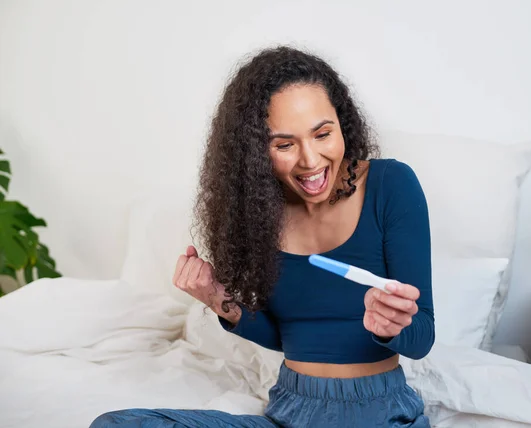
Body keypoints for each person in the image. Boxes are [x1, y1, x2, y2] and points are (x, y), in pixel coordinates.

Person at [91, 45, 434, 428]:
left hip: (381, 413)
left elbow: (422, 338)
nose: (310, 160)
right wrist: (219, 301)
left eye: (322, 134)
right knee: (117, 425)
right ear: (256, 150)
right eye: (285, 144)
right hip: (290, 412)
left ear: (342, 123)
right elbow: (289, 337)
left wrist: (395, 326)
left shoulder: (391, 185)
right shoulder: (259, 211)